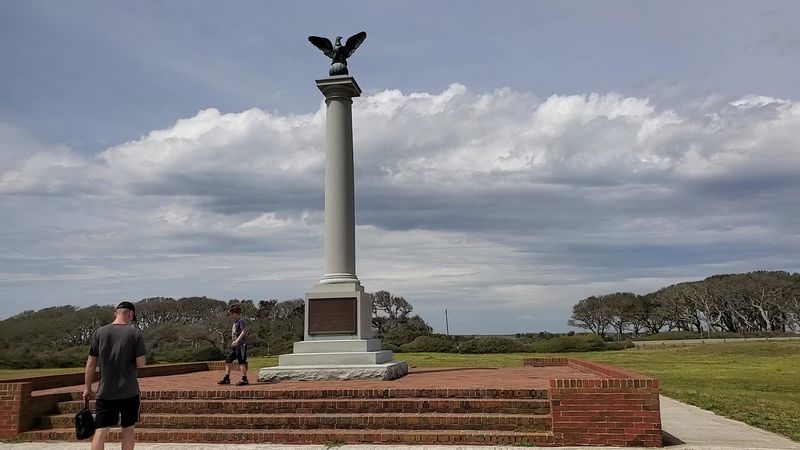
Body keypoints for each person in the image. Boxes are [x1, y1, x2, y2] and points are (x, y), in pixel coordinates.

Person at [83, 301, 147, 450]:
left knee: (101, 430)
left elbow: (90, 363)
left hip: (105, 391)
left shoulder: (99, 333)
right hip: (129, 390)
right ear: (130, 314)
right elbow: (141, 363)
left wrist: (87, 388)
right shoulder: (135, 333)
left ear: (115, 313)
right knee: (128, 429)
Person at [217, 304, 249, 386]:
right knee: (228, 360)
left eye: (231, 314)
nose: (230, 316)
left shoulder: (241, 321)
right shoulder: (235, 323)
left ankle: (244, 379)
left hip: (241, 345)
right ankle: (227, 378)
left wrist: (237, 340)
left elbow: (244, 331)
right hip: (234, 345)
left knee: (241, 361)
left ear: (236, 313)